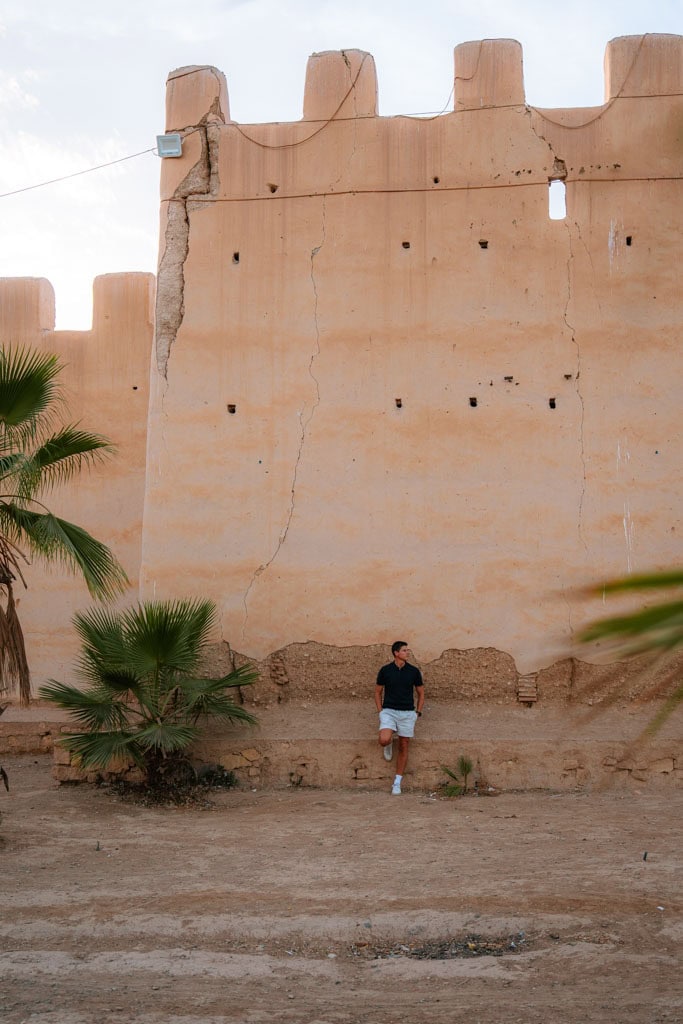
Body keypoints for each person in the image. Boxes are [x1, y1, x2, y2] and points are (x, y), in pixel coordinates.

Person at [375, 641, 424, 795]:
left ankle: (397, 782)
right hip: (389, 711)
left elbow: (421, 693)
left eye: (407, 650)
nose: (407, 653)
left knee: (404, 745)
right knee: (383, 739)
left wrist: (418, 712)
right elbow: (377, 692)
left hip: (407, 713)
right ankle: (389, 742)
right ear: (396, 653)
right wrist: (380, 711)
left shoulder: (413, 671)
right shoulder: (385, 670)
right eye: (404, 650)